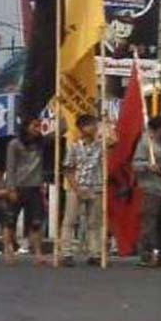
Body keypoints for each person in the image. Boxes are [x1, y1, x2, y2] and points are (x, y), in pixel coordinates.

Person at [61, 114, 106, 267]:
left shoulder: (101, 145)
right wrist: (77, 188)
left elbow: (114, 142)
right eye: (89, 125)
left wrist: (105, 124)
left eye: (94, 124)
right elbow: (68, 169)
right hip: (77, 187)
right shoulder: (73, 147)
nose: (93, 128)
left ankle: (95, 253)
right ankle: (66, 253)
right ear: (81, 128)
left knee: (95, 222)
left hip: (96, 186)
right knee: (70, 221)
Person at [133, 116, 161, 267]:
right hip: (151, 188)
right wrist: (147, 165)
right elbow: (135, 164)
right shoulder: (146, 143)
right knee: (149, 223)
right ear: (155, 130)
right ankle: (147, 254)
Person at [4, 117, 46, 266]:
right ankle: (8, 250)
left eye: (39, 126)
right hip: (18, 186)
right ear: (26, 127)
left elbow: (59, 132)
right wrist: (11, 189)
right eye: (34, 126)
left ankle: (38, 253)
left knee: (36, 222)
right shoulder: (15, 144)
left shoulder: (41, 143)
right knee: (10, 221)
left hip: (34, 187)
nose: (37, 129)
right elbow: (10, 168)